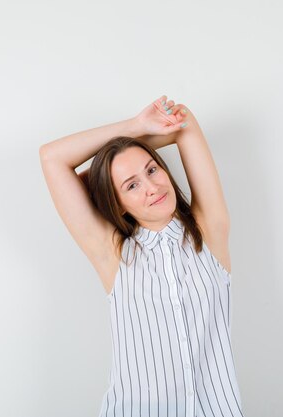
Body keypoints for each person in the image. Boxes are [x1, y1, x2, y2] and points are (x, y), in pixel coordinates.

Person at [39, 95, 245, 417]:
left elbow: (184, 122)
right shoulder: (113, 254)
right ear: (117, 203)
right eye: (131, 185)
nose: (151, 186)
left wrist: (134, 143)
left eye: (152, 169)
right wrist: (134, 126)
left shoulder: (210, 233)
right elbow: (52, 158)